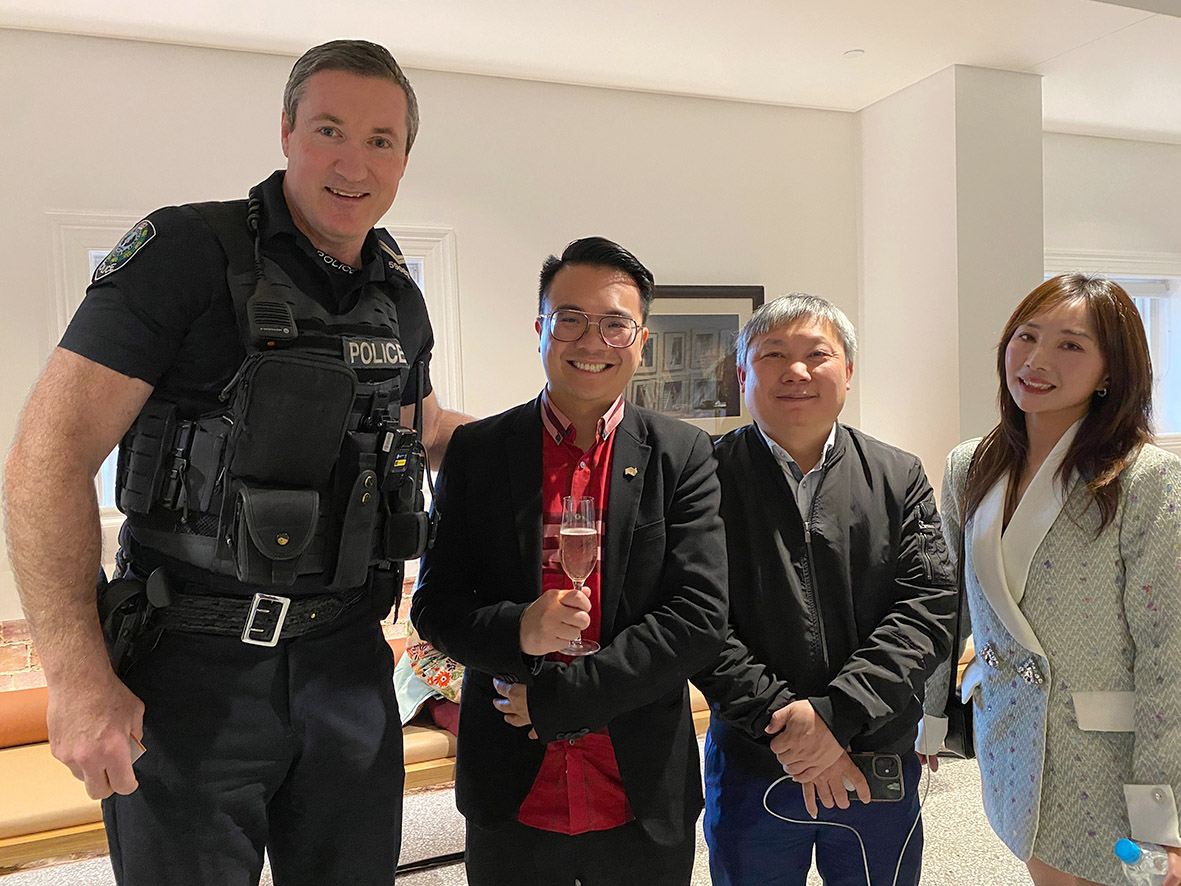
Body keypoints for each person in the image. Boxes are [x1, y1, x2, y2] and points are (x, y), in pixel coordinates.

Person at [3, 40, 467, 885]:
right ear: (286, 131)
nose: (353, 162)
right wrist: (75, 676)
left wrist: (576, 434)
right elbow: (48, 457)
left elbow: (426, 429)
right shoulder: (186, 249)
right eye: (328, 129)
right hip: (190, 672)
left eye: (381, 140)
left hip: (348, 669)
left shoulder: (397, 289)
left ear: (404, 156)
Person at [411, 237, 728, 886]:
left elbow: (699, 617)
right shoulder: (477, 452)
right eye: (570, 320)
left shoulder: (683, 454)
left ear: (640, 341)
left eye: (615, 324)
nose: (592, 342)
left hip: (638, 783)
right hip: (511, 784)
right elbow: (435, 607)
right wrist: (518, 630)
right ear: (540, 329)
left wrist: (562, 699)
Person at [923, 274, 1181, 886]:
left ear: (1110, 372)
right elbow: (948, 605)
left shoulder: (1147, 480)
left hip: (1110, 759)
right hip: (1010, 736)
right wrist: (931, 717)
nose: (1036, 360)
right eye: (1027, 336)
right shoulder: (970, 465)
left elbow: (1168, 656)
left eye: (1071, 345)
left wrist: (1162, 819)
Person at [693, 294, 957, 886]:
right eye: (772, 355)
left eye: (818, 354)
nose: (797, 371)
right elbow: (697, 617)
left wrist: (837, 716)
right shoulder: (702, 478)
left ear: (849, 370)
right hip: (757, 756)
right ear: (742, 374)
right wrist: (789, 726)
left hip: (874, 751)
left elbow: (928, 608)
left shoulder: (898, 474)